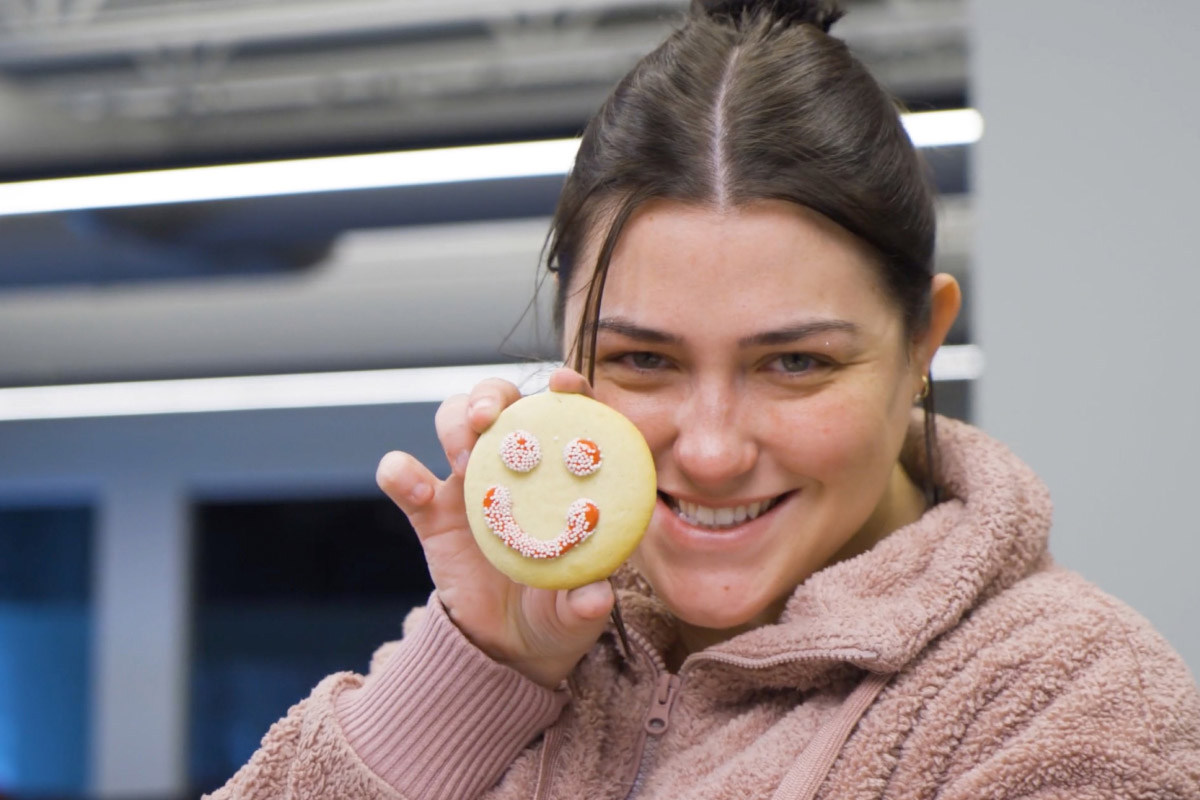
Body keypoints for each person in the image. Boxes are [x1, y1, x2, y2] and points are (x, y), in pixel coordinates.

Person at [207, 1, 1200, 798]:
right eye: (644, 359)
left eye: (796, 363)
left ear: (922, 344)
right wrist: (477, 667)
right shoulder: (543, 637)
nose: (714, 449)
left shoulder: (1067, 694)